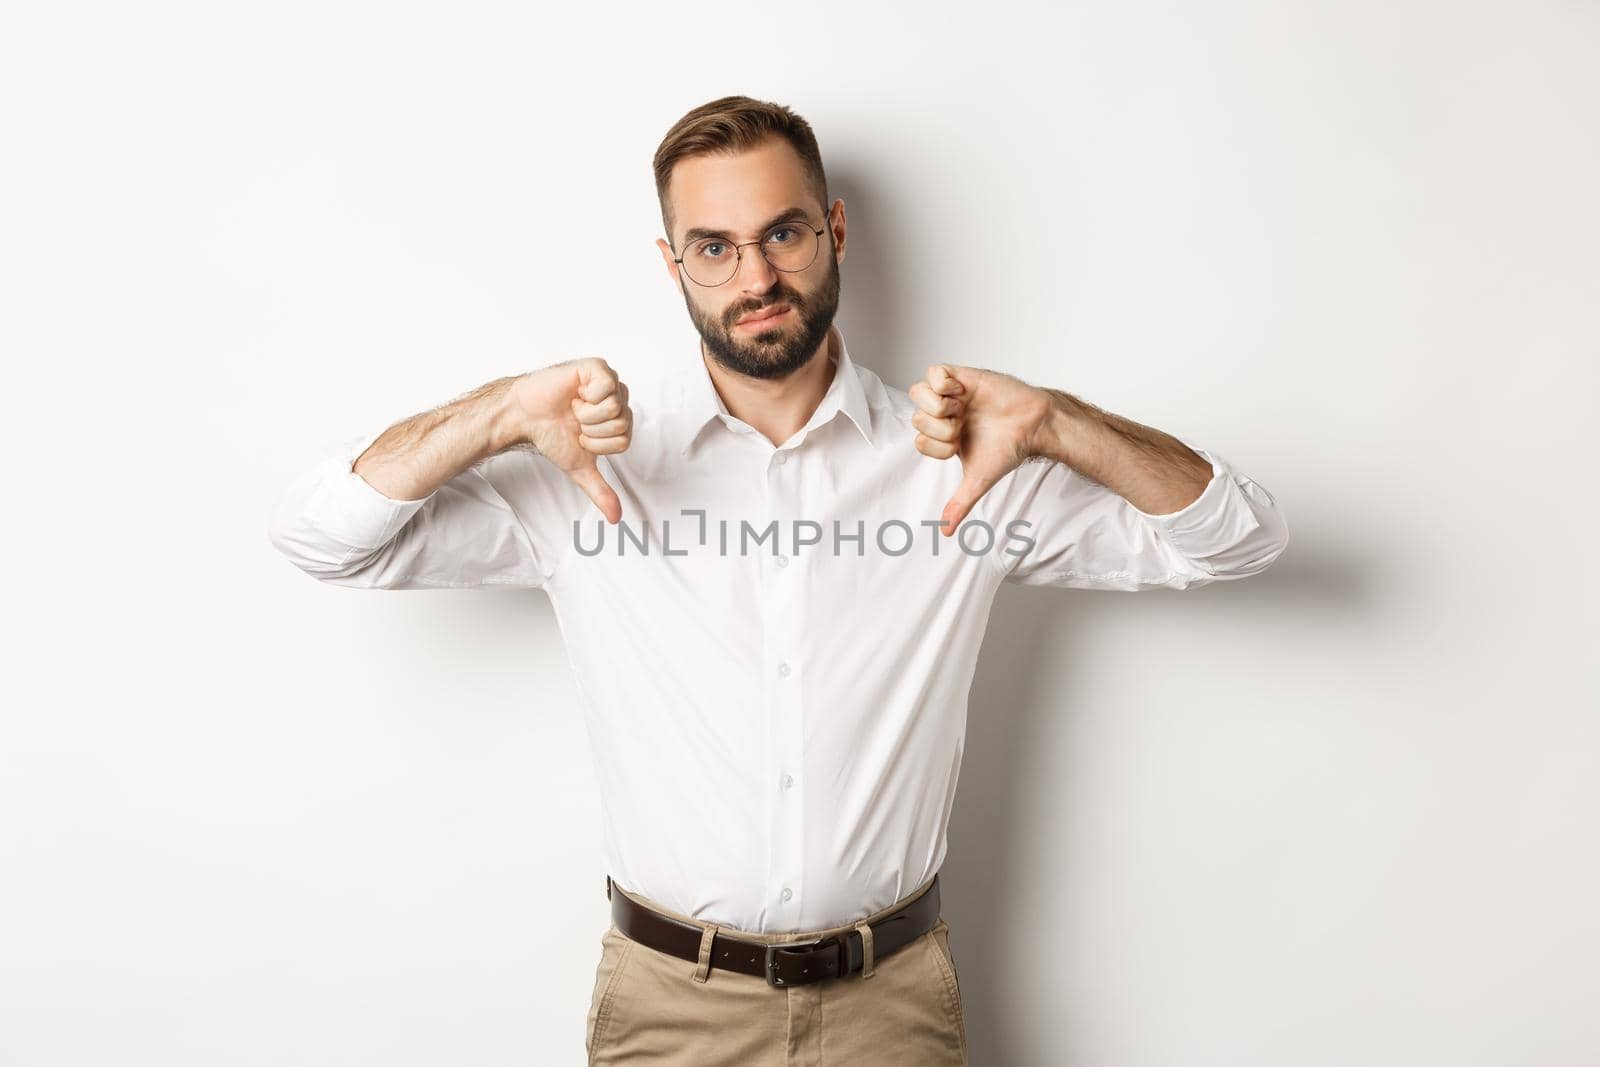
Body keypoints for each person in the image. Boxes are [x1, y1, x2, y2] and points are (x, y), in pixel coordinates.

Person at [267, 95, 1291, 1066]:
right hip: (669, 1007)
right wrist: (498, 410)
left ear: (835, 232)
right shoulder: (581, 468)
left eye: (783, 234)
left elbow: (1236, 537)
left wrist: (1056, 421)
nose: (754, 275)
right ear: (673, 266)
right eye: (714, 247)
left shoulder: (964, 459)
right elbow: (322, 537)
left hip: (890, 1004)